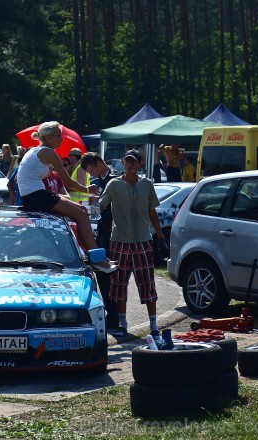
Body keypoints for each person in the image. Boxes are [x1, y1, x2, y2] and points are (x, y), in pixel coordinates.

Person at [17, 121, 117, 273]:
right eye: (59, 136)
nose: (62, 139)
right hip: (37, 196)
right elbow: (69, 183)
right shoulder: (49, 153)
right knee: (82, 214)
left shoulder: (36, 151)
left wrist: (46, 171)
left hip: (34, 195)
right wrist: (87, 190)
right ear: (49, 138)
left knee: (81, 209)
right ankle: (97, 259)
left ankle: (98, 256)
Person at [99, 149, 166, 337]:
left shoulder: (147, 184)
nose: (129, 164)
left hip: (143, 240)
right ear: (123, 163)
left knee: (147, 282)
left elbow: (152, 212)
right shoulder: (114, 184)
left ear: (139, 165)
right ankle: (123, 324)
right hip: (119, 241)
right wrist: (96, 202)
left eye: (133, 162)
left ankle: (153, 326)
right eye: (126, 161)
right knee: (119, 284)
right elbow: (102, 203)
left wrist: (160, 238)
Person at [81, 152, 120, 328]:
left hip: (114, 232)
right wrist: (93, 203)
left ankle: (116, 316)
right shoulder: (96, 183)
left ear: (98, 163)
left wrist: (99, 201)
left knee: (112, 275)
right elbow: (96, 208)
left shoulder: (115, 178)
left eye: (91, 170)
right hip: (102, 232)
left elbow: (116, 205)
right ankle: (111, 313)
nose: (91, 175)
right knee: (102, 273)